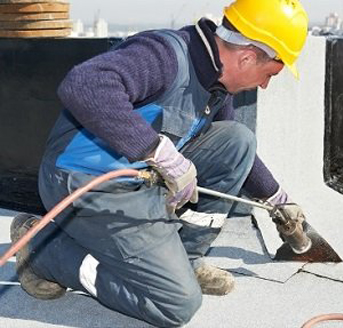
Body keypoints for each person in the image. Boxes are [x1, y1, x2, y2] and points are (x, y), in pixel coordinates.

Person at [10, 0, 308, 326]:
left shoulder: (215, 84)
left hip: (137, 184)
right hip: (82, 182)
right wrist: (156, 150)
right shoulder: (163, 56)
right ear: (248, 56)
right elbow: (83, 84)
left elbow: (236, 153)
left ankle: (186, 258)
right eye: (270, 74)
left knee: (238, 139)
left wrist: (276, 197)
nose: (264, 85)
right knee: (176, 304)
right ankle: (48, 253)